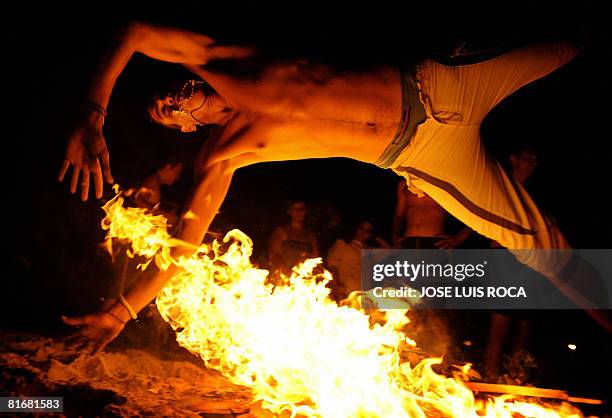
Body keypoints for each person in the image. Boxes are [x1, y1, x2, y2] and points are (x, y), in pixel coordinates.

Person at [57, 21, 608, 353]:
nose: (172, 100)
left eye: (167, 92)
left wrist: (91, 114)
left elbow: (132, 31)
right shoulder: (224, 154)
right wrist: (121, 313)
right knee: (545, 250)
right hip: (423, 154)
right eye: (165, 111)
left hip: (436, 82)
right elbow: (181, 254)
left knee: (567, 40)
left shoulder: (221, 58)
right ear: (182, 125)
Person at [483, 146, 540, 382]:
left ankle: (515, 375)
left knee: (524, 325)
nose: (532, 162)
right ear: (513, 158)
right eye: (527, 157)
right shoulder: (501, 188)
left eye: (535, 158)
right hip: (504, 259)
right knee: (501, 322)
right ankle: (490, 376)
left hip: (528, 262)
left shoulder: (532, 195)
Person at [392, 179, 471, 249]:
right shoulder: (404, 183)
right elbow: (399, 215)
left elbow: (472, 211)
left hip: (436, 241)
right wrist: (395, 235)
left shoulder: (443, 181)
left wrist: (461, 236)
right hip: (409, 240)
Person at [327, 220, 389, 300]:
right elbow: (333, 265)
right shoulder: (343, 244)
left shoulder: (369, 253)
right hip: (344, 290)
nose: (363, 232)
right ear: (356, 228)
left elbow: (390, 250)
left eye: (367, 231)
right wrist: (335, 285)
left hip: (361, 295)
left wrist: (376, 237)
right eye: (361, 229)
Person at [267, 200, 319, 275]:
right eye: (295, 209)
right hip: (282, 276)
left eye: (301, 209)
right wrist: (285, 270)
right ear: (289, 211)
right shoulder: (282, 231)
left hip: (303, 278)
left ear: (305, 212)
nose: (298, 212)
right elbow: (273, 254)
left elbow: (315, 259)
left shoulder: (311, 237)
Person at [131, 157, 183, 226]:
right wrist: (165, 215)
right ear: (168, 167)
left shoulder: (156, 182)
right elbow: (137, 202)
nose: (177, 177)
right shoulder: (152, 181)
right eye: (177, 172)